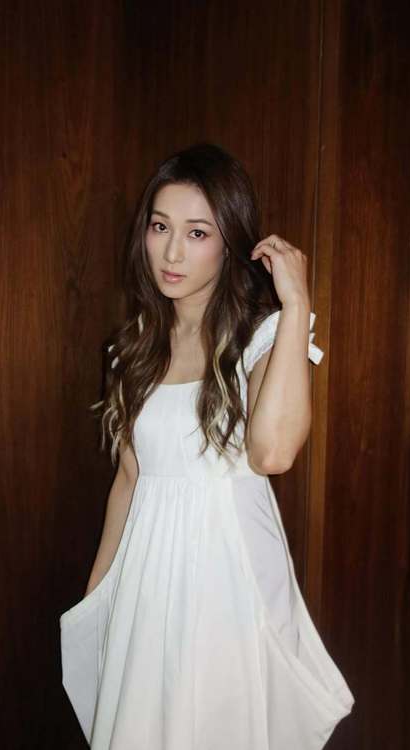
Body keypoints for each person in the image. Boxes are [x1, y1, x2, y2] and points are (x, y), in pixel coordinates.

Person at [59, 143, 354, 749]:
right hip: (147, 574)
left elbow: (273, 454)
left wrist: (296, 303)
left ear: (229, 243)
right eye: (160, 227)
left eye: (197, 233)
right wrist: (99, 598)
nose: (172, 252)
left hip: (226, 574)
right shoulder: (135, 347)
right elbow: (130, 479)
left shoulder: (262, 335)